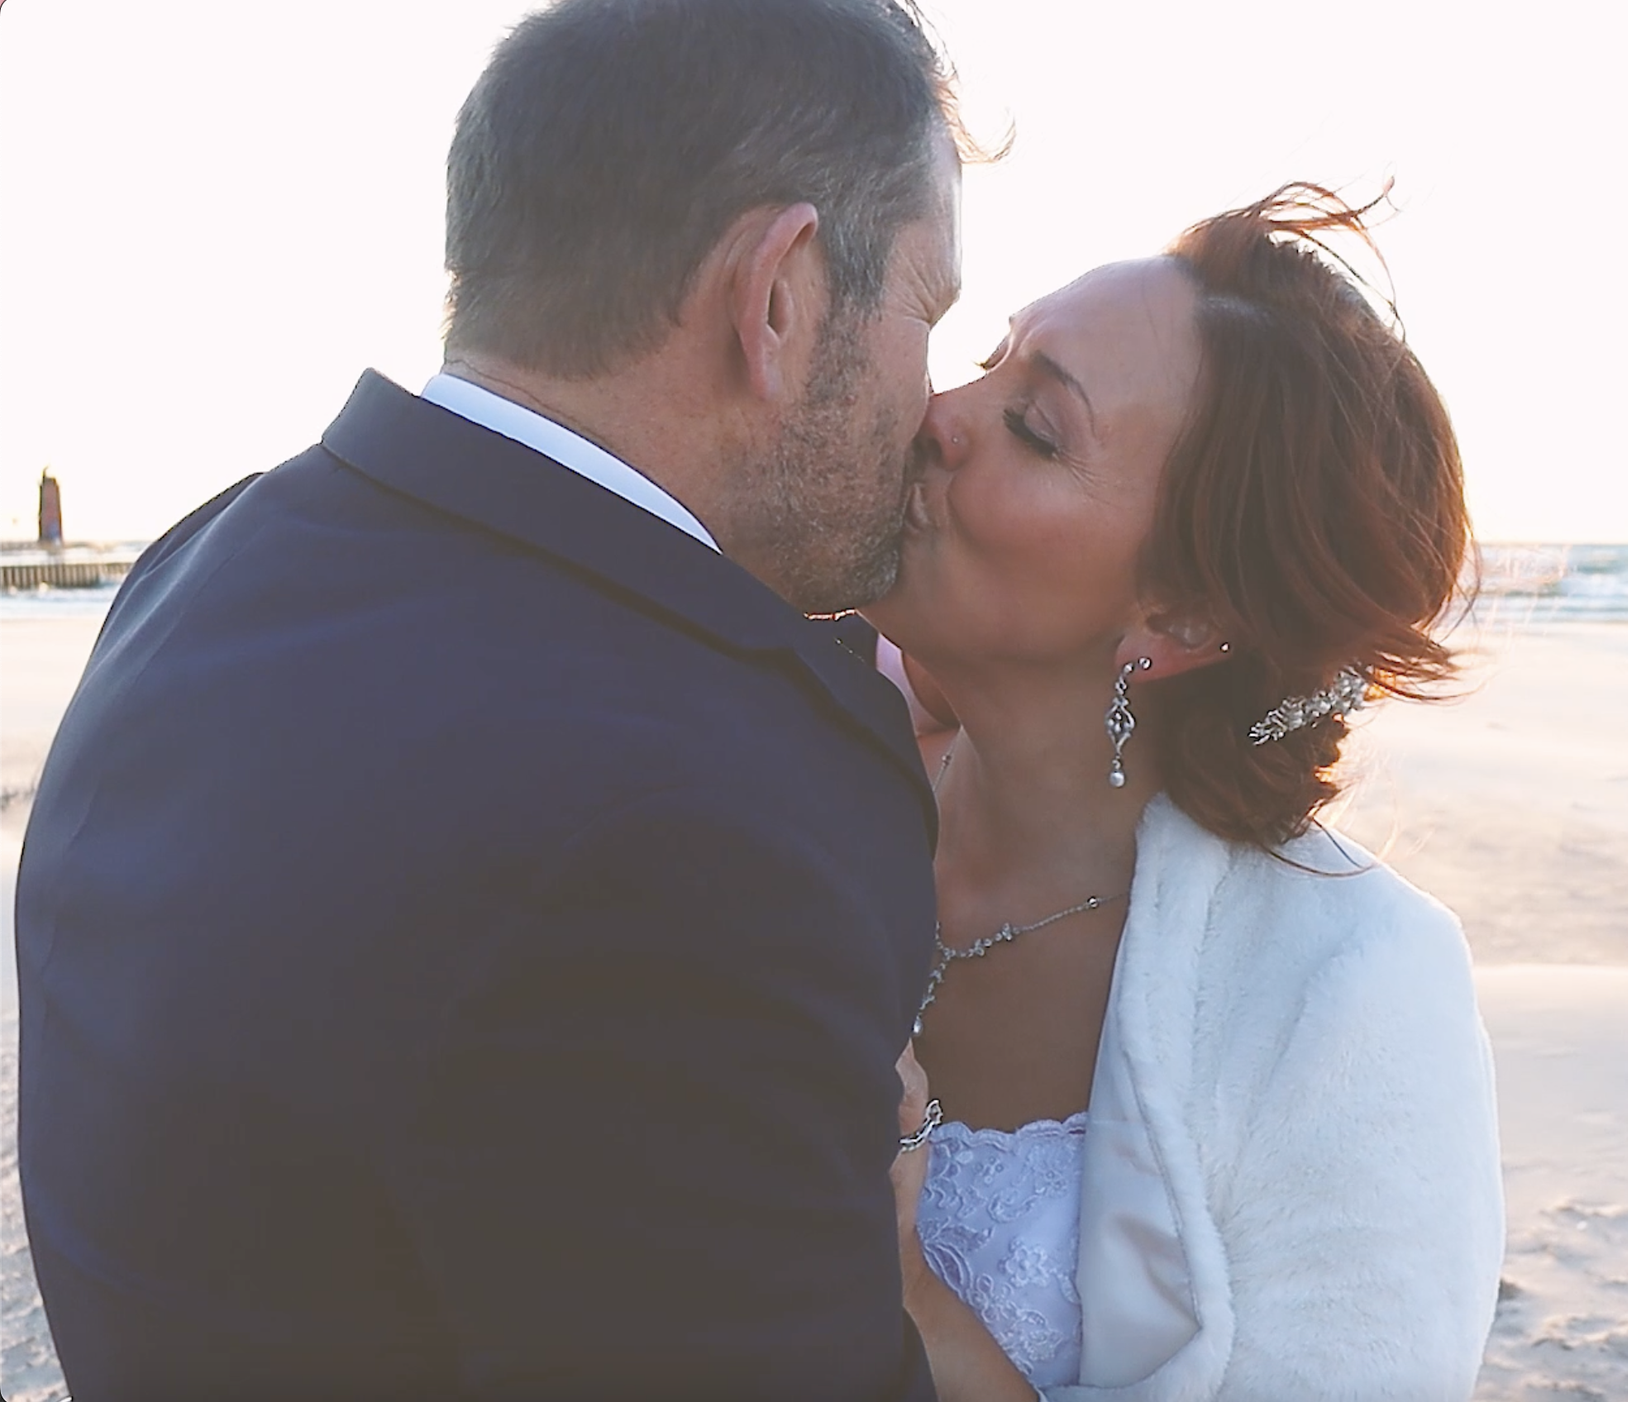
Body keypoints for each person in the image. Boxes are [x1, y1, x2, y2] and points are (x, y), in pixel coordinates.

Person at [15, 2, 963, 1394]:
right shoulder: (693, 826)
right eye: (929, 309)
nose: (937, 400)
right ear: (780, 296)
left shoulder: (207, 569)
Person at [864, 187, 1504, 1400]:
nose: (937, 413)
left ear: (1185, 614)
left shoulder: (1348, 993)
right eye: (986, 360)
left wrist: (902, 1301)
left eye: (1036, 427)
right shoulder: (797, 755)